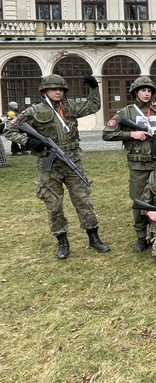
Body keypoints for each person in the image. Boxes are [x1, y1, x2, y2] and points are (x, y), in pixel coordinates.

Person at [5, 74, 110, 259]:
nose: (58, 92)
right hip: (49, 165)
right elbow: (9, 129)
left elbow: (93, 106)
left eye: (61, 89)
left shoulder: (69, 107)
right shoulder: (34, 111)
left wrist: (94, 89)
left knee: (83, 200)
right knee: (54, 205)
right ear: (45, 91)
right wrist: (28, 141)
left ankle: (94, 238)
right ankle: (62, 242)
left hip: (72, 160)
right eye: (54, 89)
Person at [103, 75, 156, 252]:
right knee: (139, 201)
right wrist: (130, 135)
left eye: (149, 90)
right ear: (136, 92)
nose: (146, 93)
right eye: (143, 90)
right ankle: (141, 236)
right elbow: (107, 133)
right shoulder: (126, 112)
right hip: (138, 166)